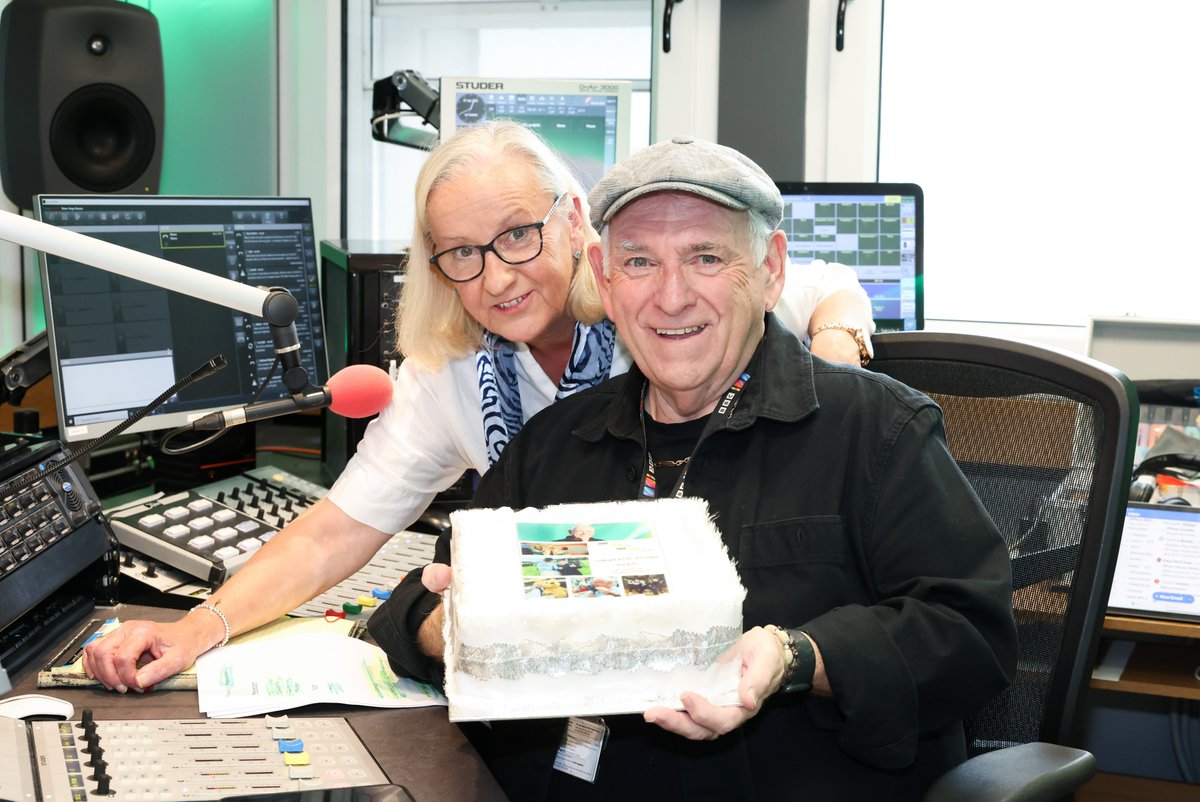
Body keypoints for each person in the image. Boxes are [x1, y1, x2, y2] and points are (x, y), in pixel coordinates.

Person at [81, 121, 876, 693]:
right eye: (463, 253)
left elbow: (821, 284)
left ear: (574, 224)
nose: (497, 278)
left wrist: (836, 360)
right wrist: (194, 630)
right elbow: (334, 532)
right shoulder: (453, 373)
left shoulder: (655, 302)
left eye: (517, 236)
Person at [377, 136, 1018, 800]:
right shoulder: (552, 446)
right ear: (603, 275)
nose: (671, 297)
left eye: (705, 258)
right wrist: (459, 621)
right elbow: (412, 604)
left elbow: (972, 634)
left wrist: (796, 657)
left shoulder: (875, 429)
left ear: (770, 270)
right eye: (639, 262)